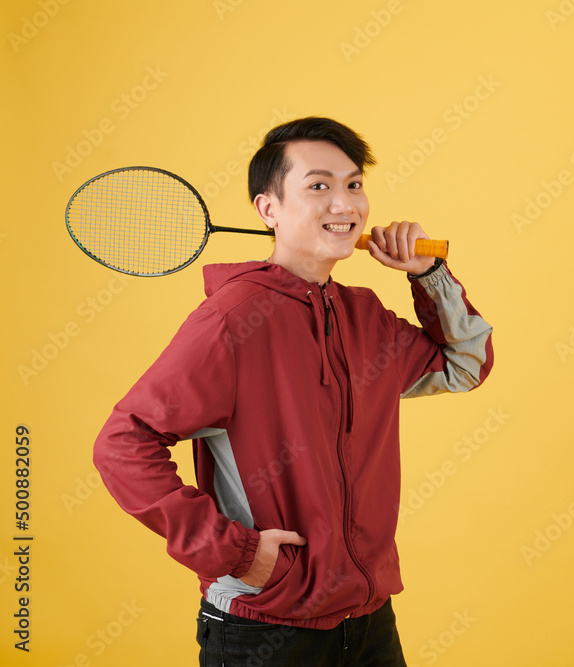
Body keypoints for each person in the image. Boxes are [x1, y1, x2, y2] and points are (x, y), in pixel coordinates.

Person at [92, 116, 494, 666]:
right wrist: (236, 553)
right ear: (268, 209)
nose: (344, 204)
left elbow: (464, 365)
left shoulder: (364, 317)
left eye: (354, 185)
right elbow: (122, 443)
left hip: (369, 621)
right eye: (319, 186)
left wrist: (429, 275)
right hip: (264, 628)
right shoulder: (231, 321)